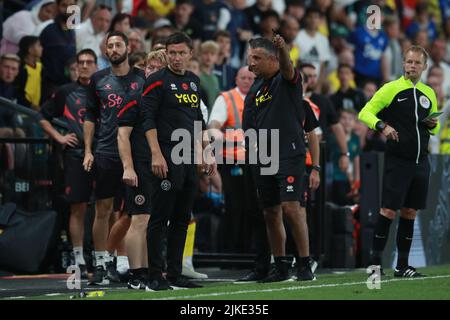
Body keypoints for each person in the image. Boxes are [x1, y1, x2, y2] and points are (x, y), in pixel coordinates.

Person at [141, 32, 216, 291]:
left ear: (189, 54)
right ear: (167, 54)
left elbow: (199, 121)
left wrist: (207, 152)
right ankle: (154, 275)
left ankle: (174, 274)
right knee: (160, 218)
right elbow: (147, 119)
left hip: (188, 156)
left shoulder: (194, 82)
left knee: (182, 217)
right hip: (166, 153)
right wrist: (156, 154)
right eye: (172, 53)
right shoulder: (156, 81)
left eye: (181, 53)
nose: (176, 57)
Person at [358, 45, 440, 277]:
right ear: (403, 64)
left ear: (424, 67)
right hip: (398, 160)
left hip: (421, 161)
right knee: (388, 211)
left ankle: (402, 266)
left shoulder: (429, 93)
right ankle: (374, 265)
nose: (412, 66)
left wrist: (434, 125)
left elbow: (433, 125)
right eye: (408, 62)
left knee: (410, 212)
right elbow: (365, 113)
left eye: (416, 63)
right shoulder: (390, 89)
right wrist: (382, 126)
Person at [243, 35, 319, 282]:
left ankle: (305, 263)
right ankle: (281, 265)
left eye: (256, 58)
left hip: (288, 152)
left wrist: (284, 49)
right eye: (249, 57)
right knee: (271, 213)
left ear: (273, 59)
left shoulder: (287, 81)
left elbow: (288, 68)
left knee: (291, 208)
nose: (250, 63)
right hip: (262, 156)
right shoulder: (255, 87)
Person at [83, 31, 146, 285]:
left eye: (118, 44)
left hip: (136, 153)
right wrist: (88, 150)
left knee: (136, 212)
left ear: (128, 47)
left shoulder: (142, 78)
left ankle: (134, 265)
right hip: (107, 152)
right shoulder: (98, 79)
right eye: (110, 45)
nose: (114, 48)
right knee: (103, 209)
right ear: (105, 50)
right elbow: (90, 116)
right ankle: (100, 264)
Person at [38, 49, 98, 279]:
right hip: (75, 155)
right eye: (80, 62)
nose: (84, 66)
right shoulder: (65, 91)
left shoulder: (103, 90)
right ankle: (79, 257)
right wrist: (59, 137)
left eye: (89, 62)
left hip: (101, 154)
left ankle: (104, 257)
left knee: (105, 207)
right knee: (78, 207)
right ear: (76, 67)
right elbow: (42, 115)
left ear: (96, 65)